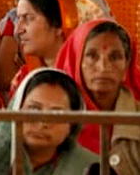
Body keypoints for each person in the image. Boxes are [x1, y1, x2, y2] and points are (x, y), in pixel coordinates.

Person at [0, 68, 93, 175]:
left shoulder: (89, 168)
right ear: (16, 109)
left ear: (72, 124)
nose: (42, 123)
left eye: (56, 114)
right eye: (34, 109)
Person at [52, 18, 140, 173]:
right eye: (92, 56)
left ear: (126, 67)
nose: (103, 67)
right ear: (76, 62)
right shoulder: (54, 118)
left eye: (114, 57)